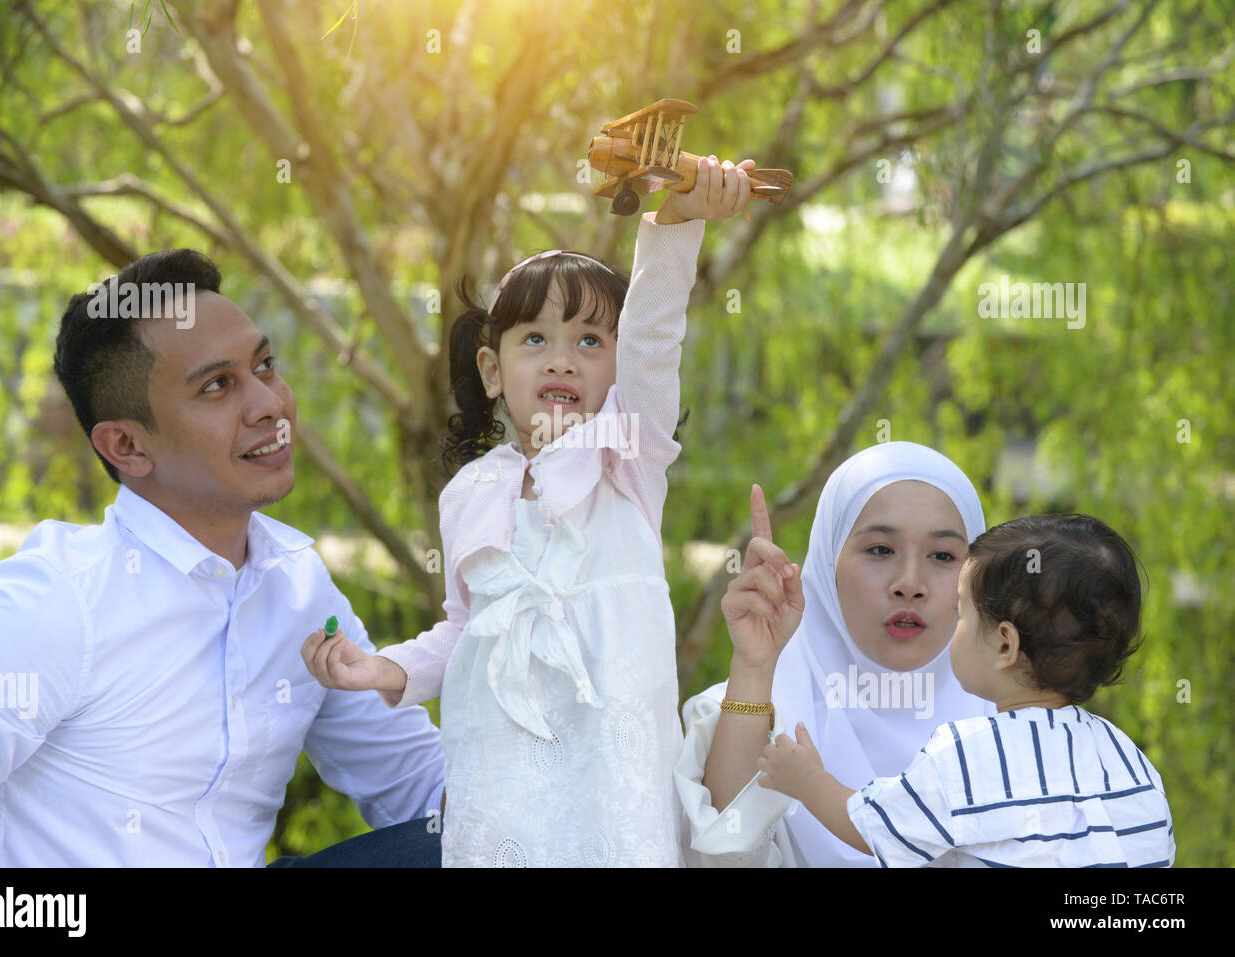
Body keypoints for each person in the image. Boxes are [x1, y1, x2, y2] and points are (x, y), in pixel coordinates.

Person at [302, 156, 755, 866]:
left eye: (590, 341)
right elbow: (464, 628)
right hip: (502, 786)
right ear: (492, 371)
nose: (563, 360)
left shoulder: (627, 456)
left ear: (617, 369)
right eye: (535, 340)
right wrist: (381, 670)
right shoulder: (471, 493)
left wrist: (676, 221)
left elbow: (655, 336)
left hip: (613, 794)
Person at [0, 249, 446, 867]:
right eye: (217, 386)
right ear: (127, 445)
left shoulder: (296, 589)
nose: (270, 405)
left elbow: (424, 792)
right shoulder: (47, 604)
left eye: (264, 367)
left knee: (481, 842)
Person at [758, 513, 1175, 867]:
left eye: (962, 614)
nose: (952, 624)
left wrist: (806, 779)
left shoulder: (967, 751)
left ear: (1005, 645)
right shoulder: (1128, 756)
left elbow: (874, 827)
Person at [676, 440, 994, 866]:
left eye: (942, 555)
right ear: (828, 563)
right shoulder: (762, 712)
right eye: (881, 549)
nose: (910, 582)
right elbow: (718, 856)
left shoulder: (1015, 725)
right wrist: (754, 667)